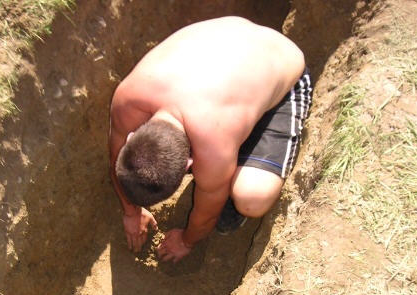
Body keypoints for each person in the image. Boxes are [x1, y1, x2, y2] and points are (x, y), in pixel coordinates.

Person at [109, 16, 313, 263]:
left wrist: (186, 241)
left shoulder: (213, 149)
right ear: (132, 136)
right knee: (219, 167)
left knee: (251, 199)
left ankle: (246, 155)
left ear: (189, 164)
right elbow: (116, 155)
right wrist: (130, 212)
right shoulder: (128, 100)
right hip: (232, 53)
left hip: (280, 71)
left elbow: (205, 217)